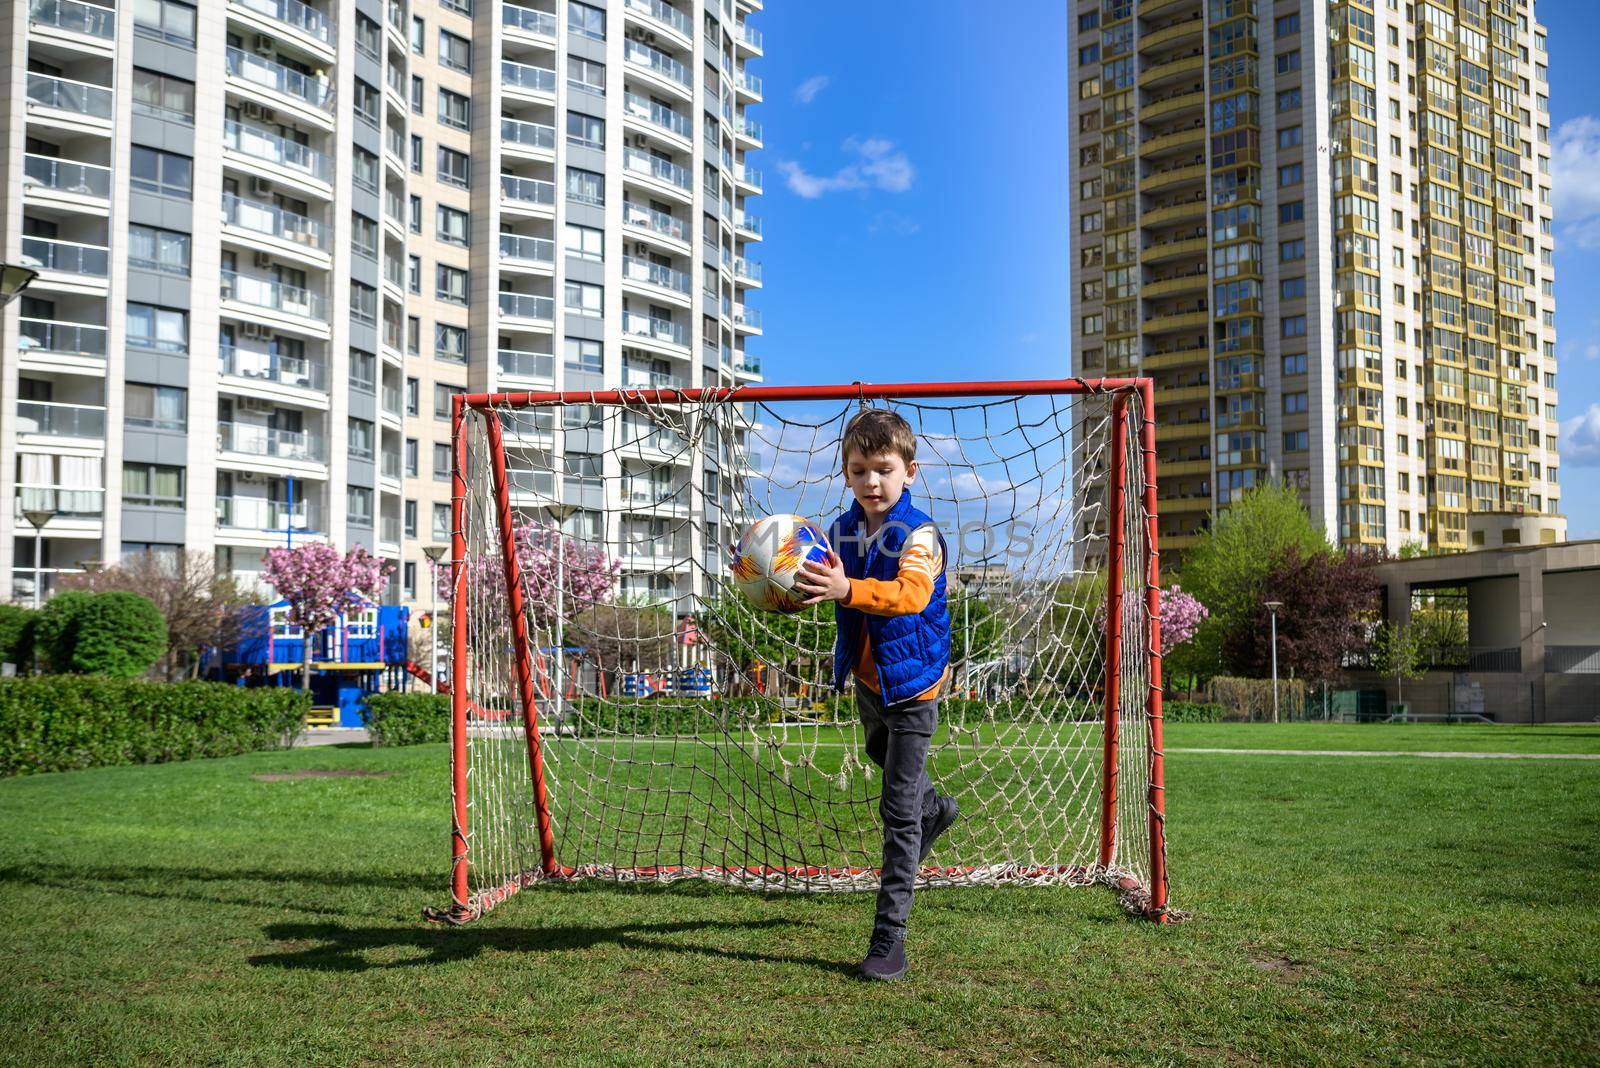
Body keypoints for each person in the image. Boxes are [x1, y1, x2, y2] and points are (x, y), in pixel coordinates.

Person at [794, 407, 959, 982]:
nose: (872, 481)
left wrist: (846, 588)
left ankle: (890, 940)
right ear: (845, 473)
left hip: (914, 686)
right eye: (859, 469)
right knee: (882, 763)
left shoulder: (920, 536)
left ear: (909, 471)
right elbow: (813, 572)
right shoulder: (838, 531)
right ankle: (935, 811)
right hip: (868, 682)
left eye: (883, 469)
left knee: (896, 809)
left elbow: (910, 595)